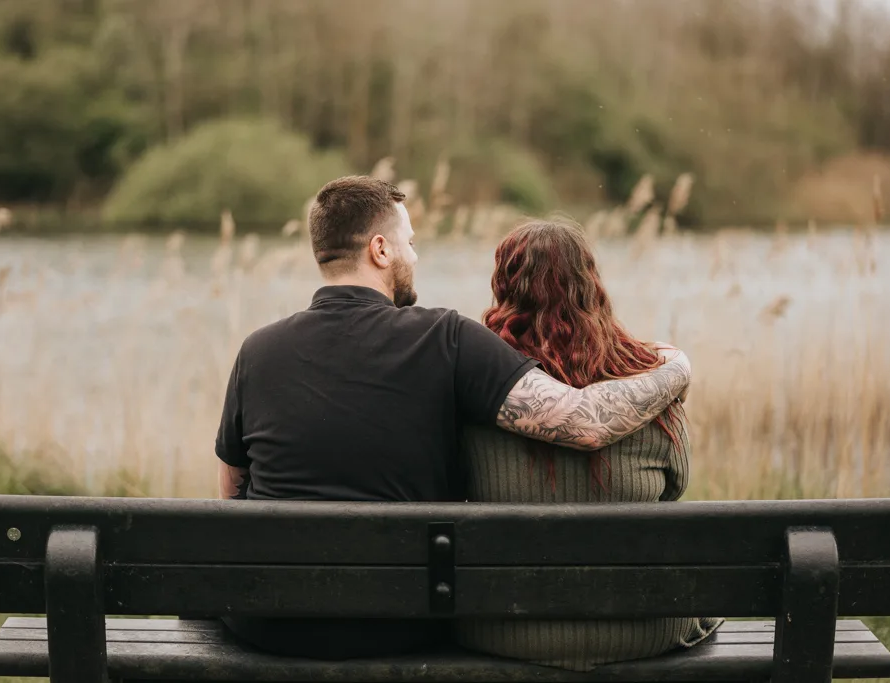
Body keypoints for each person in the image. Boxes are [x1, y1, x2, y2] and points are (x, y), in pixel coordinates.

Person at [215, 177, 692, 660]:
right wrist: (673, 371)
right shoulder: (446, 339)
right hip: (398, 627)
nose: (415, 257)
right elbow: (582, 420)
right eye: (411, 243)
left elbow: (233, 492)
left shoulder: (257, 350)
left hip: (268, 623)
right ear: (380, 249)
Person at [456, 219, 722, 671]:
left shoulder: (473, 394)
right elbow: (674, 487)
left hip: (502, 628)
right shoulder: (649, 385)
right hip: (642, 629)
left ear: (503, 286)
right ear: (591, 284)